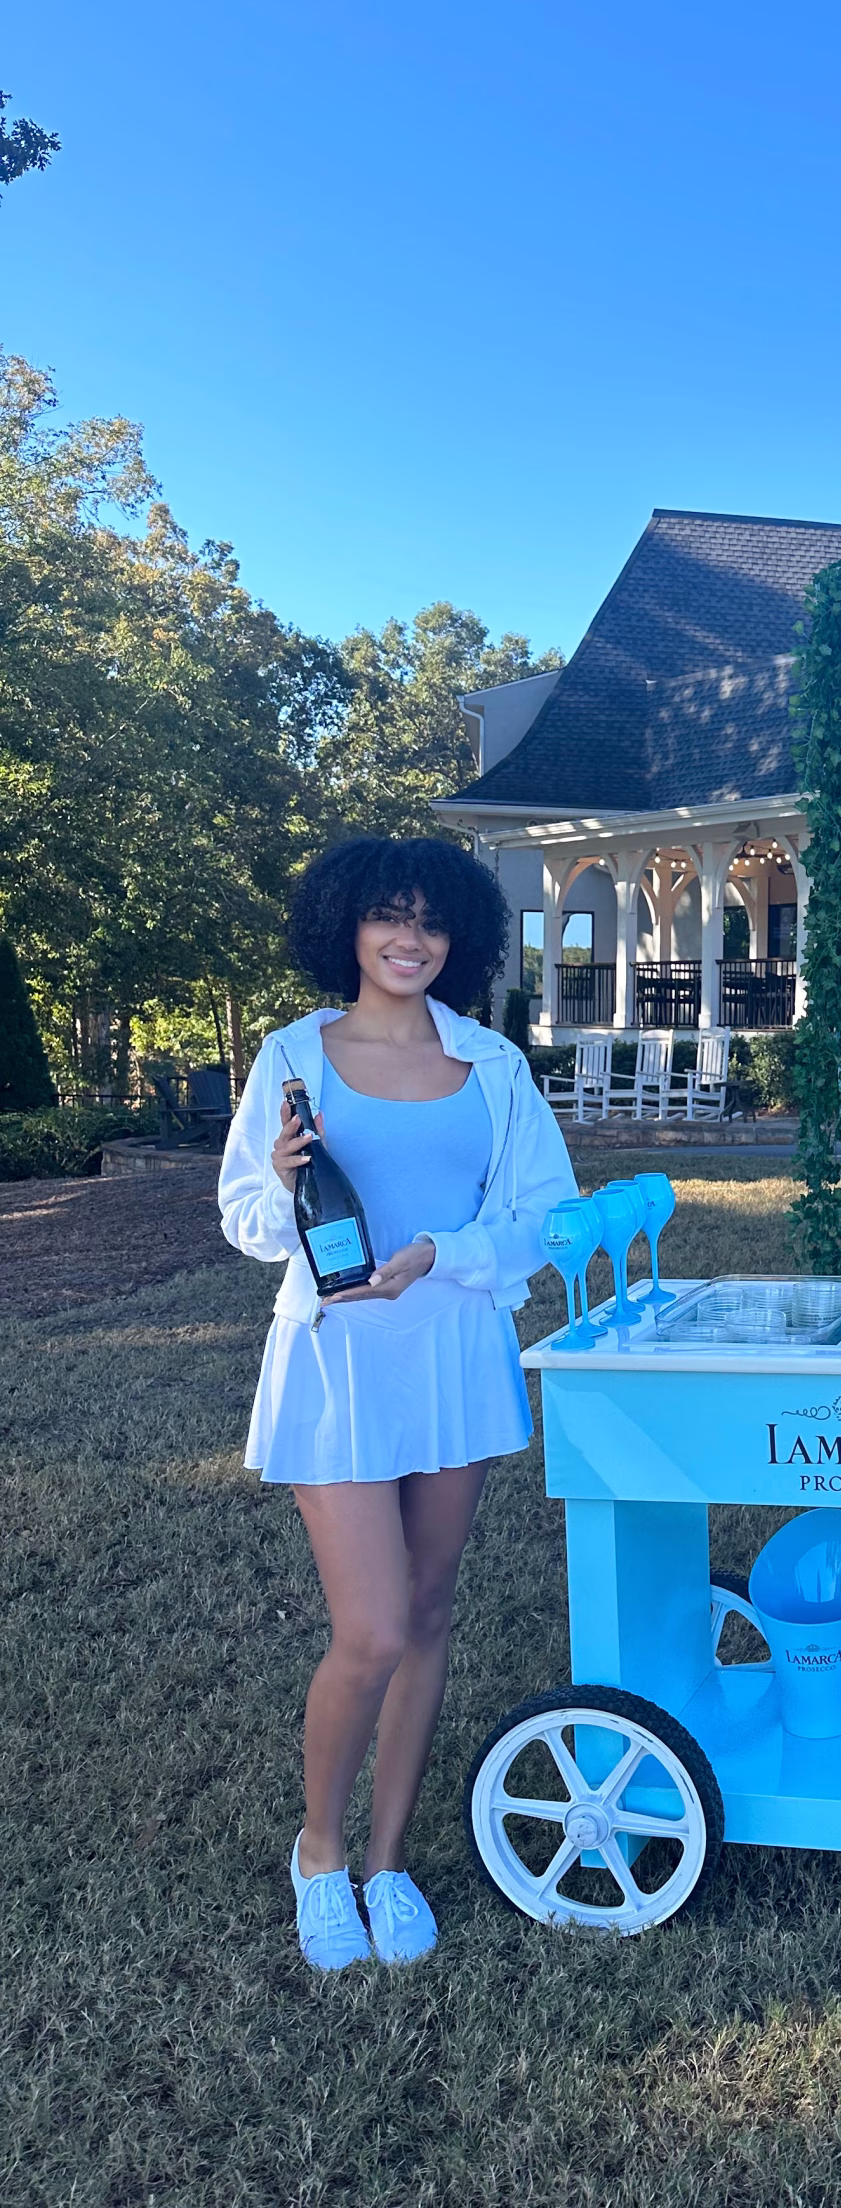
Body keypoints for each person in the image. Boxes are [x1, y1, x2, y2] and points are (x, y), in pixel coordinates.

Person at [219, 837, 574, 1972]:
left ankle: (386, 1861)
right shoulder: (293, 1056)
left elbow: (544, 1218)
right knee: (370, 1629)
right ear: (349, 926)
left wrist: (439, 1253)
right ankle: (319, 1853)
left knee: (425, 1617)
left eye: (430, 920)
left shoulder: (493, 1065)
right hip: (339, 1366)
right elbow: (245, 1219)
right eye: (388, 915)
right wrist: (284, 1180)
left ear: (457, 937)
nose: (409, 939)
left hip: (455, 1355)